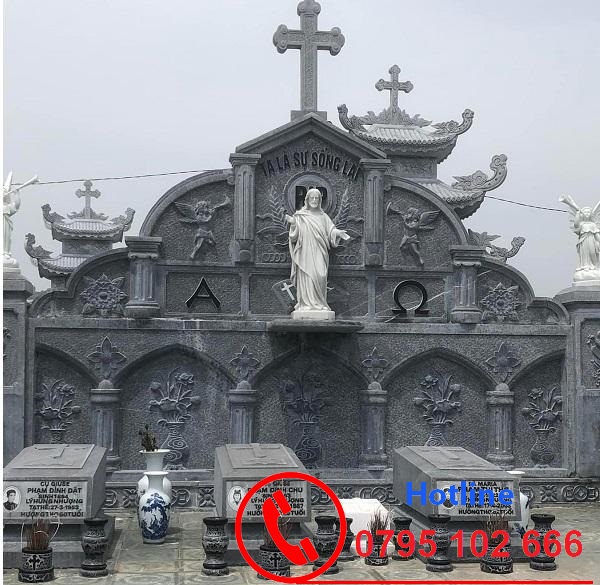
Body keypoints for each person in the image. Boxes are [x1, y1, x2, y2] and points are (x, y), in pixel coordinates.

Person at [285, 188, 349, 316]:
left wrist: (338, 233)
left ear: (320, 200)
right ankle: (306, 305)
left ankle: (320, 303)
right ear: (307, 200)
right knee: (307, 276)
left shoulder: (323, 216)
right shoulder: (300, 216)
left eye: (317, 198)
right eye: (312, 198)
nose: (314, 200)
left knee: (320, 275)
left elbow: (331, 230)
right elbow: (294, 237)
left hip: (320, 251)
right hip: (305, 252)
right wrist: (293, 224)